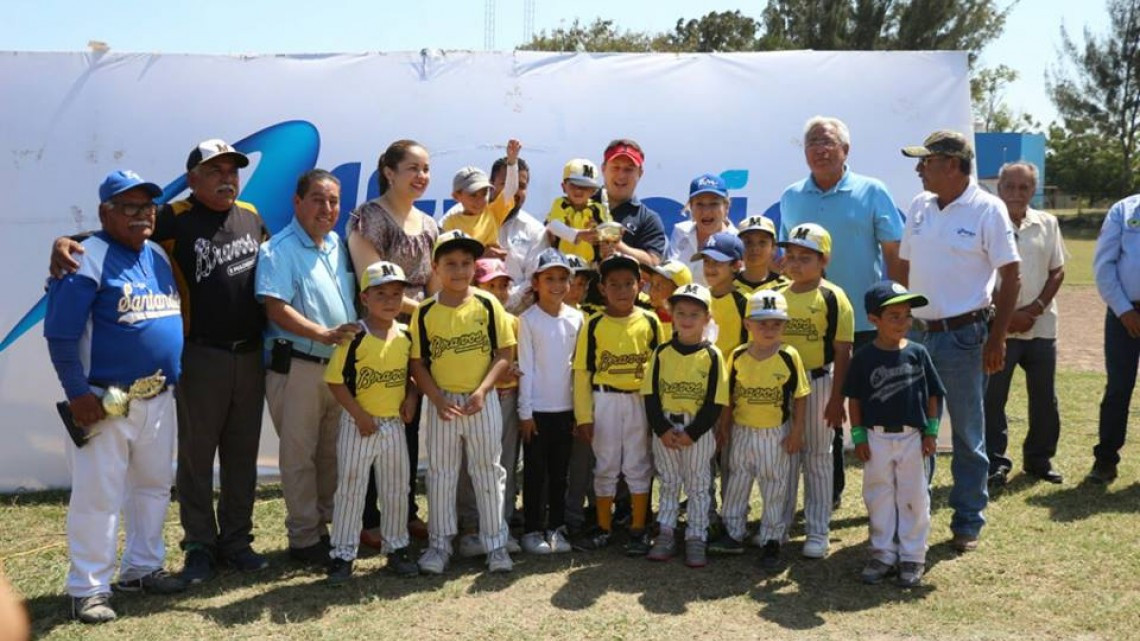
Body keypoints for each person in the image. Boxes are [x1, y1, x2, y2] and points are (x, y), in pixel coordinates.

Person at [51, 139, 271, 581]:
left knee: (241, 455)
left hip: (247, 352)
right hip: (201, 354)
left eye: (232, 170)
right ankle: (199, 546)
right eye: (214, 171)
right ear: (192, 180)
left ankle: (235, 541)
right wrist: (64, 243)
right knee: (195, 457)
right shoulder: (171, 216)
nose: (226, 178)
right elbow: (113, 235)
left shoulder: (251, 215)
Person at [45, 170, 187, 623]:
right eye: (129, 207)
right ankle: (88, 587)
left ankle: (142, 568)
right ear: (105, 212)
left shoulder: (158, 257)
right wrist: (76, 393)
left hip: (157, 396)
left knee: (152, 487)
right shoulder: (86, 258)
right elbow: (60, 335)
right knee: (98, 495)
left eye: (148, 207)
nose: (142, 215)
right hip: (105, 400)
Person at [899, 130, 1021, 552]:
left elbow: (1011, 276)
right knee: (916, 430)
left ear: (951, 165)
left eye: (926, 162)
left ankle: (968, 518)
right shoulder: (919, 206)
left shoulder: (988, 209)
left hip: (966, 336)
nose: (919, 170)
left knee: (968, 434)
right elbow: (905, 266)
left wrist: (997, 337)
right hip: (918, 335)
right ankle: (915, 516)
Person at [780, 116, 905, 510]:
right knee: (823, 412)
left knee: (876, 411)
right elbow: (789, 262)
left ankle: (889, 495)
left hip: (866, 322)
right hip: (811, 323)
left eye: (828, 142)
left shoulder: (873, 191)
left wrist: (894, 311)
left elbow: (894, 254)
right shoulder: (791, 195)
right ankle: (828, 494)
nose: (820, 148)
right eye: (812, 142)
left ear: (845, 150)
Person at [255, 169, 359, 566]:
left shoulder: (336, 244)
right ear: (297, 203)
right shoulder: (278, 250)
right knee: (300, 456)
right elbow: (275, 308)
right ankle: (303, 539)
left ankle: (326, 529)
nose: (327, 208)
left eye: (333, 200)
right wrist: (322, 332)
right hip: (297, 366)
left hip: (336, 368)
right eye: (318, 199)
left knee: (331, 452)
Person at [347, 139, 438, 546]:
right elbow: (376, 284)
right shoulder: (369, 219)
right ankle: (367, 520)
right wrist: (427, 314)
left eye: (425, 169)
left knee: (408, 424)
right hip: (379, 337)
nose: (421, 177)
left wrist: (436, 316)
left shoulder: (430, 224)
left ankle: (404, 512)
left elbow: (434, 285)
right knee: (374, 424)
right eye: (412, 168)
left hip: (415, 337)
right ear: (389, 171)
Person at [410, 230, 516, 574]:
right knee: (441, 474)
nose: (459, 270)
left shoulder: (488, 303)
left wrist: (484, 389)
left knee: (488, 472)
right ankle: (440, 546)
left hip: (480, 400)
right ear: (435, 267)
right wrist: (436, 398)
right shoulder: (425, 312)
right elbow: (417, 363)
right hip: (443, 403)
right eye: (450, 263)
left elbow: (504, 352)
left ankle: (496, 545)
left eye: (466, 263)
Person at [324, 261, 421, 584]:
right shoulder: (354, 336)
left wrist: (411, 397)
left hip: (393, 423)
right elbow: (336, 382)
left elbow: (411, 375)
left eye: (396, 293)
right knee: (351, 490)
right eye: (381, 293)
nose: (390, 300)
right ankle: (342, 553)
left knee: (396, 488)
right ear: (365, 298)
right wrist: (360, 416)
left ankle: (397, 547)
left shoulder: (406, 334)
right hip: (358, 424)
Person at [845, 281, 945, 588]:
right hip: (876, 437)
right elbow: (855, 399)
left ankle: (913, 555)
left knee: (913, 495)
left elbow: (933, 394)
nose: (903, 322)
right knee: (879, 495)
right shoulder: (863, 357)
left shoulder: (918, 352)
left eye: (907, 315)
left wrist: (931, 431)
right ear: (874, 320)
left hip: (912, 437)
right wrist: (859, 437)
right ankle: (883, 553)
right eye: (894, 316)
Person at [571, 253, 665, 554]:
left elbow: (661, 368)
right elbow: (583, 371)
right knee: (606, 463)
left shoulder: (650, 320)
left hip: (639, 399)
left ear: (640, 285)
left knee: (639, 463)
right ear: (602, 289)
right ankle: (603, 526)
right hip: (605, 398)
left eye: (629, 283)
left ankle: (638, 528)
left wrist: (657, 413)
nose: (622, 290)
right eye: (614, 284)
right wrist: (584, 416)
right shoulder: (594, 323)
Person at [710, 290, 809, 571]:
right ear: (747, 324)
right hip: (742, 429)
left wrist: (797, 432)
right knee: (738, 481)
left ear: (784, 325)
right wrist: (724, 427)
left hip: (775, 433)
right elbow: (730, 396)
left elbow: (801, 396)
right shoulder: (738, 355)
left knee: (774, 485)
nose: (769, 329)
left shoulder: (789, 356)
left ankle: (771, 539)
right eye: (762, 323)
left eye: (776, 323)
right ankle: (733, 532)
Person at [984, 162, 1066, 486]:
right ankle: (995, 462)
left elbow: (1057, 271)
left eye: (1024, 187)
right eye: (1010, 187)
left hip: (1041, 326)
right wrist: (1005, 317)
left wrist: (1034, 309)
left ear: (1034, 190)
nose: (1016, 194)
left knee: (1045, 397)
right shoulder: (987, 224)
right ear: (999, 188)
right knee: (993, 398)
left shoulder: (1048, 223)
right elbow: (979, 275)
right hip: (998, 330)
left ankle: (1039, 459)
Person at [776, 223, 854, 559]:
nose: (795, 263)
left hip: (819, 380)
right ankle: (776, 527)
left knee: (819, 458)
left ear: (824, 260)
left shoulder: (833, 296)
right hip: (780, 384)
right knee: (784, 456)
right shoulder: (776, 295)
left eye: (805, 257)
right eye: (790, 256)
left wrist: (838, 399)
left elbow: (843, 351)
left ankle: (817, 530)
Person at [642, 283, 729, 568]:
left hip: (697, 429)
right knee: (668, 481)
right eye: (681, 312)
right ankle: (666, 532)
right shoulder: (662, 352)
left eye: (695, 314)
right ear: (672, 314)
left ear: (706, 318)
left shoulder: (713, 355)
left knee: (698, 484)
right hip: (666, 424)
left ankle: (696, 535)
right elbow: (651, 394)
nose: (687, 319)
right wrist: (661, 429)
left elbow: (715, 402)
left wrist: (693, 433)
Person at [454, 258, 523, 558]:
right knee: (470, 466)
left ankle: (500, 525)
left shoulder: (514, 321)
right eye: (491, 285)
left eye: (503, 284)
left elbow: (518, 360)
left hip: (507, 400)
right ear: (476, 286)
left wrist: (514, 370)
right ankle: (470, 527)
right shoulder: (465, 317)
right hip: (475, 400)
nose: (499, 291)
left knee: (504, 465)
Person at [517, 249, 583, 554]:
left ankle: (556, 527)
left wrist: (580, 414)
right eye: (549, 278)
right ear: (536, 282)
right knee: (535, 473)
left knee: (560, 474)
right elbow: (527, 368)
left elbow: (578, 372)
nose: (556, 285)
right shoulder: (528, 320)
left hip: (566, 412)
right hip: (537, 413)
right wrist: (525, 412)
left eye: (562, 278)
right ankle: (532, 529)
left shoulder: (577, 318)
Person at [1088, 190, 1140, 484]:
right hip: (1125, 313)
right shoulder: (1124, 210)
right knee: (1119, 389)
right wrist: (1123, 310)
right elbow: (1104, 265)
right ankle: (1106, 460)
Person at [439, 139, 521, 253]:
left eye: (484, 193)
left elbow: (511, 189)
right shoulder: (450, 222)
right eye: (473, 195)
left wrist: (512, 162)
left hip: (494, 269)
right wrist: (484, 254)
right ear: (457, 196)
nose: (479, 200)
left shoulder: (493, 212)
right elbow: (450, 255)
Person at [490, 155, 547, 313]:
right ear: (491, 185)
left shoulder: (536, 230)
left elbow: (534, 279)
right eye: (507, 184)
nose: (513, 191)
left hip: (519, 320)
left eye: (521, 186)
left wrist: (502, 305)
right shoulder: (469, 220)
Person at [599, 139, 668, 267]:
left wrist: (618, 246)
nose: (621, 175)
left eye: (628, 169)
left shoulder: (648, 219)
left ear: (640, 173)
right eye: (616, 167)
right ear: (603, 169)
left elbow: (654, 263)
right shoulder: (580, 205)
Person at [668, 173, 737, 286]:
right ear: (691, 207)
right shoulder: (680, 232)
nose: (706, 211)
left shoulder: (737, 241)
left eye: (714, 204)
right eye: (699, 204)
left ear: (726, 207)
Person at [692, 232, 749, 361]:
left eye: (717, 262)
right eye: (706, 261)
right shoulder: (699, 298)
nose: (710, 268)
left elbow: (750, 347)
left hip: (730, 377)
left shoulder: (745, 302)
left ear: (736, 265)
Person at [545, 158, 612, 263]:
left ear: (593, 191)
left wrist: (608, 241)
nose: (578, 190)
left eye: (585, 187)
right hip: (562, 266)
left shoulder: (598, 209)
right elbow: (553, 226)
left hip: (590, 268)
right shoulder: (560, 203)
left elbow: (609, 230)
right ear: (563, 187)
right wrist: (579, 235)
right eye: (573, 185)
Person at [734, 215, 788, 295]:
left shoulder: (786, 288)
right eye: (748, 242)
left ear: (773, 247)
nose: (755, 248)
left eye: (762, 242)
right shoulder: (726, 286)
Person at [644, 260, 693, 338]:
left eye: (658, 286)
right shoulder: (643, 311)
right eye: (652, 283)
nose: (652, 290)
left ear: (678, 291)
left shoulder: (689, 324)